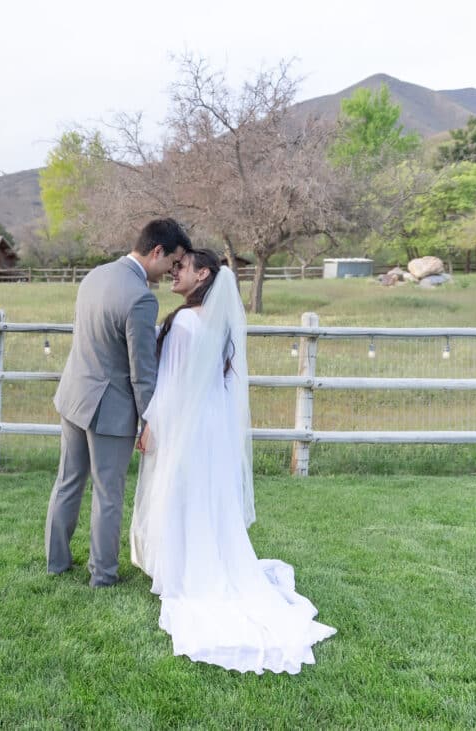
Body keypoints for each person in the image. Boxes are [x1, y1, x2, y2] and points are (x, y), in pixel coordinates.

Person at [130, 248, 336, 673]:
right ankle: (209, 558)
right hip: (212, 426)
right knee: (207, 495)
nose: (174, 273)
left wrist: (150, 422)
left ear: (202, 274)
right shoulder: (220, 324)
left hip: (185, 422)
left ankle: (181, 568)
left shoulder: (185, 322)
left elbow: (170, 385)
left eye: (181, 268)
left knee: (179, 491)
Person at [46, 218, 192, 588]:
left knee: (68, 481)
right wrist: (151, 420)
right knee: (108, 494)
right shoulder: (141, 298)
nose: (172, 271)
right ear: (156, 251)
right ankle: (103, 575)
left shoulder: (95, 275)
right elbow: (141, 372)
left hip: (73, 396)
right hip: (109, 409)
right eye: (172, 263)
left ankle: (56, 562)